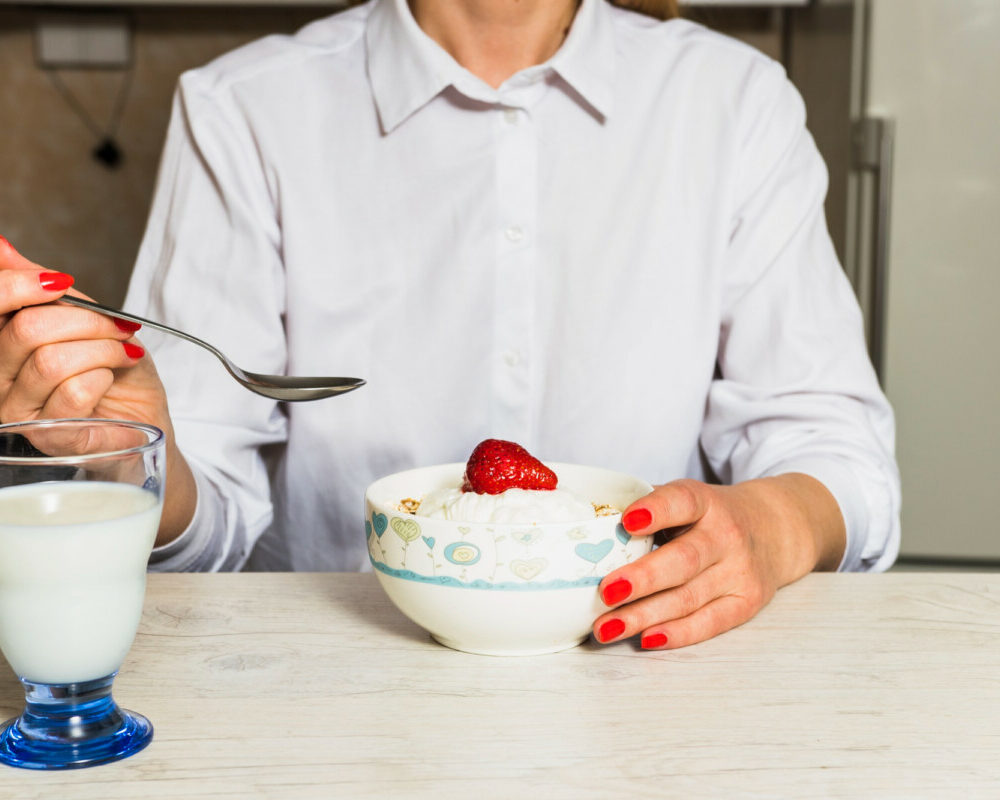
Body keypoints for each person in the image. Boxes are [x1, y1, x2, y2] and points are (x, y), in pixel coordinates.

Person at [0, 0, 900, 650]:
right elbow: (208, 520)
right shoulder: (242, 107)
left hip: (654, 683)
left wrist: (766, 525)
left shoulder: (737, 99)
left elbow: (837, 455)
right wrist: (131, 453)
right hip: (335, 691)